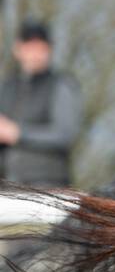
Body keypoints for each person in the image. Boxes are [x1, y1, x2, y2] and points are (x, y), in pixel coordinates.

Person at [0, 20, 87, 187]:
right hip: (6, 184)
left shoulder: (62, 85)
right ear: (17, 49)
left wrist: (19, 133)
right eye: (30, 47)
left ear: (50, 50)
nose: (35, 54)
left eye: (40, 48)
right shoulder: (6, 87)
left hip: (48, 187)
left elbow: (65, 134)